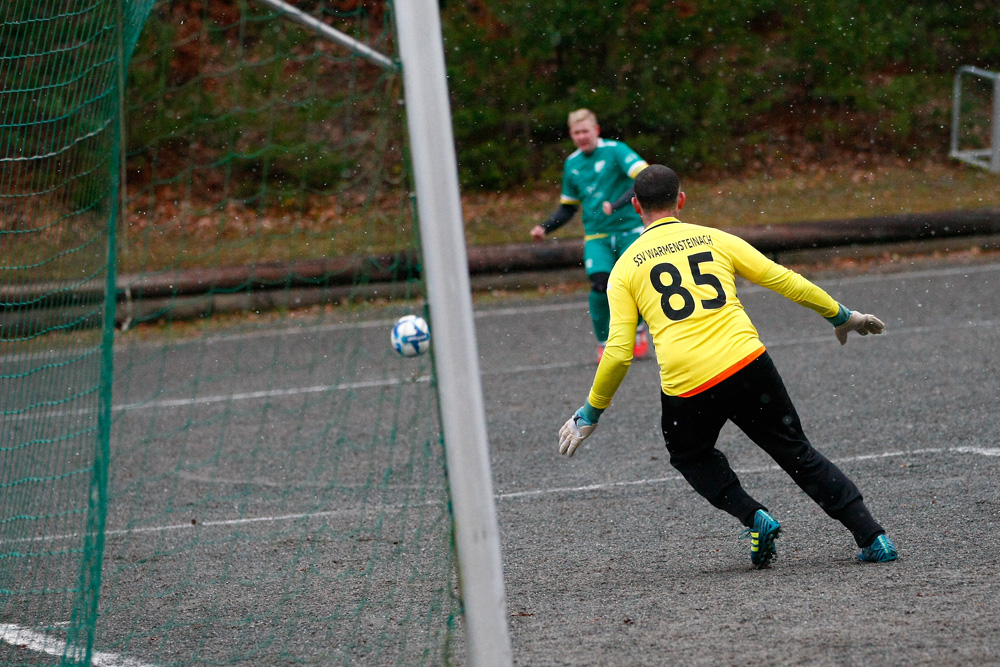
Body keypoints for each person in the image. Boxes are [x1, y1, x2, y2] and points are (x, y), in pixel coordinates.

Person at [557, 164, 898, 568]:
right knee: (796, 452)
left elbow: (618, 351)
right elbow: (782, 279)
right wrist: (840, 315)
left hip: (689, 384)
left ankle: (754, 516)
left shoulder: (625, 267)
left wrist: (591, 413)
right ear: (681, 200)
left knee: (691, 456)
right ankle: (873, 536)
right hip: (748, 363)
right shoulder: (715, 239)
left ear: (635, 206)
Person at [531, 108, 650, 362]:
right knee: (600, 284)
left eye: (585, 131)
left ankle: (639, 328)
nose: (582, 136)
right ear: (571, 135)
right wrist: (545, 227)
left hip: (630, 230)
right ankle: (605, 341)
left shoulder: (616, 150)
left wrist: (617, 204)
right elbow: (568, 206)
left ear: (596, 130)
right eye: (576, 133)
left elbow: (644, 177)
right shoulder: (572, 164)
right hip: (598, 236)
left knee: (635, 282)